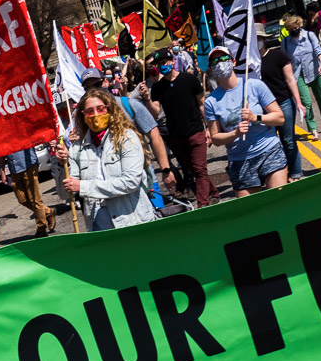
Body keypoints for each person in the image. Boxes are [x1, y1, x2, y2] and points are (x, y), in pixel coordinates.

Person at [55, 88, 156, 230]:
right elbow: (65, 193)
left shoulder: (126, 138)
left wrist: (83, 187)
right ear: (83, 116)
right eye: (89, 111)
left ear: (109, 110)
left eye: (100, 109)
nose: (95, 115)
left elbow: (130, 182)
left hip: (133, 223)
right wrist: (61, 164)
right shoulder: (77, 148)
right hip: (99, 228)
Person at [204, 46, 287, 196]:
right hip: (240, 160)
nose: (220, 63)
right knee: (253, 212)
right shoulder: (210, 101)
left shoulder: (254, 85)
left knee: (279, 199)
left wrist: (256, 118)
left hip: (269, 151)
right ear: (211, 68)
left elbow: (280, 118)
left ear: (233, 62)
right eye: (214, 61)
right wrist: (235, 133)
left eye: (223, 58)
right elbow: (215, 138)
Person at [146, 48, 220, 207]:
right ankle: (213, 193)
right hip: (176, 137)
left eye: (164, 62)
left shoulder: (189, 79)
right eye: (158, 64)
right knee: (194, 170)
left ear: (172, 61)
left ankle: (203, 204)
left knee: (200, 170)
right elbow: (156, 112)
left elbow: (202, 104)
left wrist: (209, 128)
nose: (161, 66)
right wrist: (147, 99)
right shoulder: (158, 88)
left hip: (196, 131)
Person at [83, 67, 177, 191]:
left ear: (106, 82)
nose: (94, 90)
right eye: (89, 88)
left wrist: (165, 169)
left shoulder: (128, 105)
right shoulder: (86, 118)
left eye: (97, 85)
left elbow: (155, 135)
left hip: (143, 181)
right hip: (111, 187)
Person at [256, 23, 305, 182]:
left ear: (264, 39)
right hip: (263, 108)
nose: (257, 42)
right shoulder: (249, 63)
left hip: (283, 103)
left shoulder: (278, 56)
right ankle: (277, 174)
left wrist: (298, 102)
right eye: (253, 39)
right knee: (270, 144)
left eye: (259, 38)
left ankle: (295, 172)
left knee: (288, 140)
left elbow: (290, 80)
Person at [281, 15, 321, 140]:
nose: (294, 30)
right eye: (291, 29)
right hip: (297, 74)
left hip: (314, 70)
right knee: (306, 102)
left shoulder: (309, 36)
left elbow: (318, 51)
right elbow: (283, 60)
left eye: (296, 28)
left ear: (300, 26)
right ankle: (313, 129)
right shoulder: (285, 42)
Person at [0, 147, 55, 237]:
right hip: (14, 169)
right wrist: (2, 172)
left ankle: (41, 229)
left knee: (35, 199)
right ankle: (47, 212)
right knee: (22, 199)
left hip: (29, 165)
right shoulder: (1, 136)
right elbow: (1, 154)